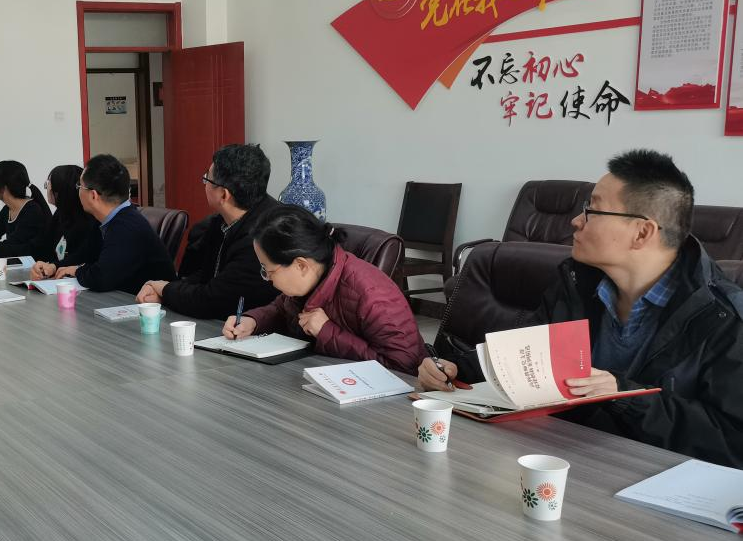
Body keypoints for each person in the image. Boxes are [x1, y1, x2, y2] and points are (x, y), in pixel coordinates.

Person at [419, 149, 743, 465]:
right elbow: (528, 358)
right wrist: (454, 367)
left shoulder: (722, 316)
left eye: (592, 210)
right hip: (561, 457)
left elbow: (732, 440)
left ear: (642, 232)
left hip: (649, 478)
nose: (576, 221)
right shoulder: (577, 281)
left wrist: (627, 397)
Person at [224, 204, 426, 373]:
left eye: (267, 270)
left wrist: (327, 331)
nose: (267, 278)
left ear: (301, 265)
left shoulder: (372, 294)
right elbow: (282, 308)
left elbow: (402, 366)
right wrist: (253, 321)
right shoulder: (315, 275)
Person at [137, 144, 280, 318]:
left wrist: (164, 289)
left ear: (223, 195)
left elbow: (211, 301)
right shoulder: (221, 221)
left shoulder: (264, 236)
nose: (204, 183)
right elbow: (207, 276)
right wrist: (164, 291)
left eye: (207, 179)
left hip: (256, 327)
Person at [53, 154, 176, 292]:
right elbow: (85, 254)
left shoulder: (127, 226)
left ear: (93, 195)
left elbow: (102, 277)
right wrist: (55, 267)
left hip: (146, 302)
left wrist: (77, 271)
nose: (78, 191)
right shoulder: (105, 220)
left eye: (79, 186)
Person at [29, 164, 101, 279]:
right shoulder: (60, 214)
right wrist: (44, 267)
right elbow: (42, 246)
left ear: (60, 191)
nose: (47, 189)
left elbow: (82, 257)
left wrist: (54, 266)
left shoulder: (89, 221)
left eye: (48, 184)